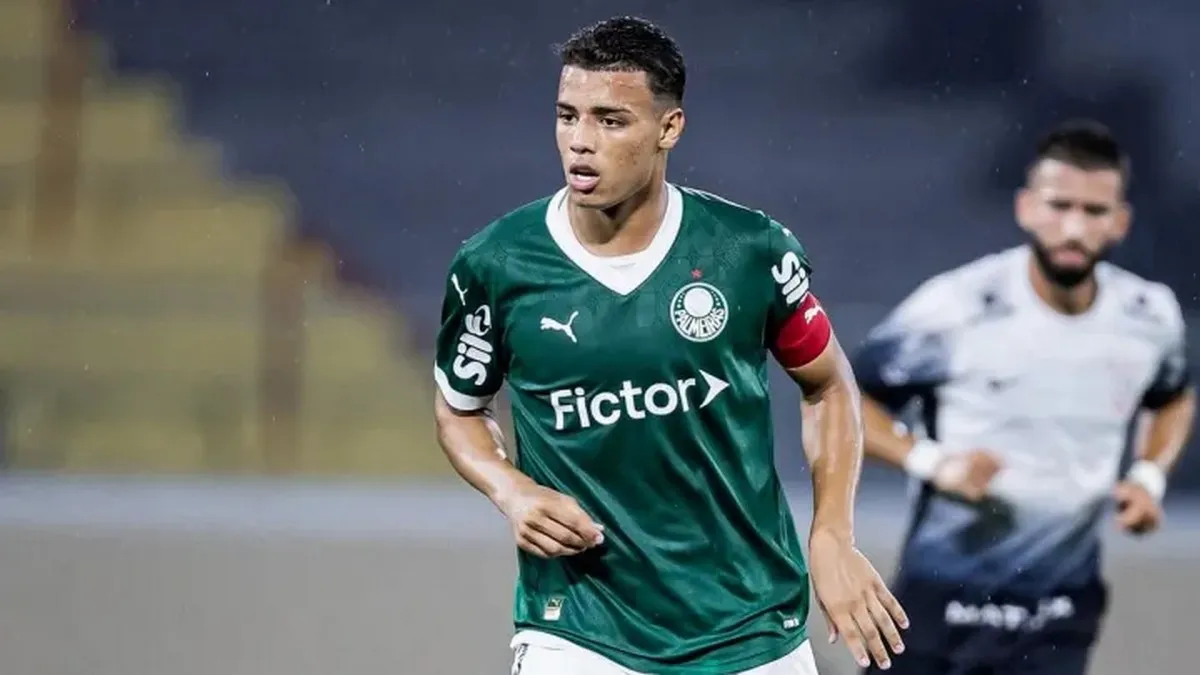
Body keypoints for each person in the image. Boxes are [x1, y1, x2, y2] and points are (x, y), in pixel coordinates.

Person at [432, 15, 907, 675]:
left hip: (749, 627)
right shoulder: (496, 265)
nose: (580, 141)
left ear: (669, 128)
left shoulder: (748, 250)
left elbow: (826, 382)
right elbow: (459, 408)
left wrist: (832, 533)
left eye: (610, 120)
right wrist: (510, 490)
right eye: (567, 116)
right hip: (578, 629)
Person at [851, 120, 1196, 675]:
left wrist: (1150, 476)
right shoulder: (956, 308)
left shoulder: (1148, 316)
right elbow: (844, 403)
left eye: (1094, 211)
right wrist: (933, 462)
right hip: (941, 604)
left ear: (1121, 221)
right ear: (1027, 208)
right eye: (1060, 206)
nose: (1074, 228)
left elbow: (1174, 396)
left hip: (1058, 615)